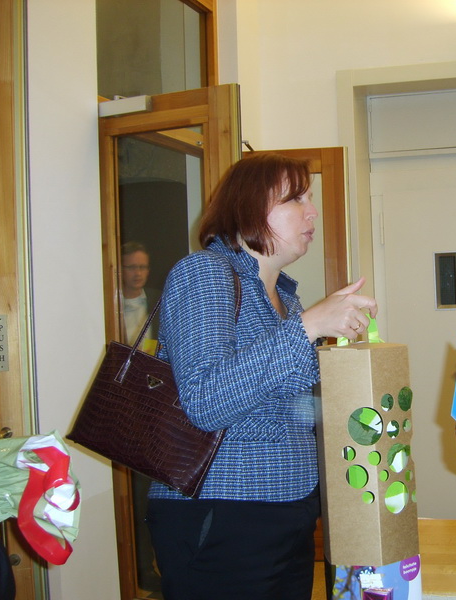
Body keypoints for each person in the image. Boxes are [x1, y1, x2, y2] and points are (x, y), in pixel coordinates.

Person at [145, 152, 378, 600]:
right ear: (249, 206)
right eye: (296, 199)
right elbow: (205, 401)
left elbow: (283, 407)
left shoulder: (286, 299)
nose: (312, 212)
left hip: (291, 513)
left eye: (310, 198)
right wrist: (308, 327)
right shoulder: (203, 273)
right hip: (222, 515)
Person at [120, 241, 160, 345]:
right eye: (131, 267)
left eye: (142, 267)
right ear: (120, 270)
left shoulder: (158, 301)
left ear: (148, 271)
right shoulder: (112, 306)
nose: (138, 273)